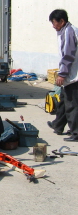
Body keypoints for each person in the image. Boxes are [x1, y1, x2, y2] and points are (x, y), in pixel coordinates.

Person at [47, 9, 78, 141]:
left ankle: (76, 133)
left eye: (54, 23)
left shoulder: (69, 32)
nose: (53, 26)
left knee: (72, 105)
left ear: (62, 21)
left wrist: (62, 74)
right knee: (63, 103)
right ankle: (58, 125)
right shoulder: (64, 31)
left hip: (72, 75)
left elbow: (68, 55)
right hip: (69, 75)